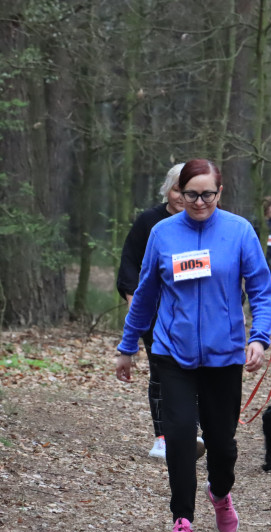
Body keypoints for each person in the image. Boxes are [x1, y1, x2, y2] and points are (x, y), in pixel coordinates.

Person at [115, 158, 271, 532]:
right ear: (179, 194)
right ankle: (182, 520)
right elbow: (147, 292)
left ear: (220, 193)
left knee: (222, 443)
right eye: (191, 194)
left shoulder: (239, 232)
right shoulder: (163, 233)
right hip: (173, 354)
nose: (199, 202)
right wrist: (128, 345)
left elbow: (260, 289)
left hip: (224, 356)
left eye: (207, 194)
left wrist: (259, 337)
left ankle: (220, 493)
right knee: (181, 437)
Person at [116, 163, 184, 459]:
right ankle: (162, 436)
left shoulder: (206, 224)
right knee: (160, 371)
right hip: (153, 311)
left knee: (191, 373)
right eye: (178, 189)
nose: (183, 197)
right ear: (167, 190)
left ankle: (188, 431)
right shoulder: (149, 222)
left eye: (190, 191)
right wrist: (133, 297)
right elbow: (130, 261)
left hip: (190, 313)